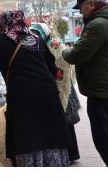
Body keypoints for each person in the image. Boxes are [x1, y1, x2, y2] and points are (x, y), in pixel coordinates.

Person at [0, 10, 73, 167]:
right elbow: (53, 68)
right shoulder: (36, 39)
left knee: (28, 136)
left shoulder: (0, 42)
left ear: (3, 23)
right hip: (48, 93)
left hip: (23, 95)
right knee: (50, 134)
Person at [62, 0, 108, 167]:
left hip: (102, 93)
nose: (80, 12)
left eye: (81, 7)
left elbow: (75, 55)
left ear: (91, 4)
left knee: (105, 142)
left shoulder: (98, 25)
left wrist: (63, 50)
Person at [30, 23, 81, 163]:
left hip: (63, 88)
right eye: (32, 33)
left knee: (67, 122)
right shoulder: (35, 47)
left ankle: (72, 154)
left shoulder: (56, 46)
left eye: (37, 33)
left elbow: (63, 66)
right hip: (49, 89)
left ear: (44, 34)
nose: (35, 36)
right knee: (59, 123)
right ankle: (65, 154)